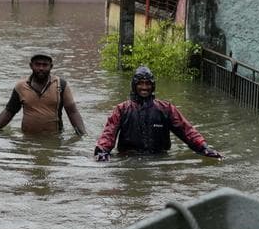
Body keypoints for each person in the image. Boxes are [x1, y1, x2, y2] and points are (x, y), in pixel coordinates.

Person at [94, 66, 223, 161]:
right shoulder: (122, 109)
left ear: (153, 86)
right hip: (129, 159)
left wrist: (204, 147)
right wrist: (102, 151)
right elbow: (108, 133)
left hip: (160, 159)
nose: (144, 87)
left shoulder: (166, 109)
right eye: (140, 84)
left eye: (147, 84)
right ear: (134, 86)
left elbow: (186, 130)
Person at [0, 53, 87, 136]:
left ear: (51, 67)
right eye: (37, 64)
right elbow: (9, 111)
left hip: (54, 137)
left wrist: (82, 134)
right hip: (27, 138)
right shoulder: (21, 86)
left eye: (45, 65)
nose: (41, 68)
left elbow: (72, 112)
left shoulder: (61, 85)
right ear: (31, 66)